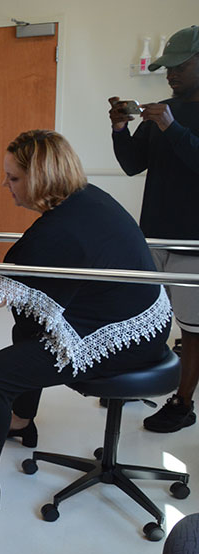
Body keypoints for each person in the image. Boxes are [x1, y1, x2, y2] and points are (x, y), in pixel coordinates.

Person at [0, 130, 172, 510]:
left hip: (129, 338)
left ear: (40, 177)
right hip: (147, 317)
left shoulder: (55, 232)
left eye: (13, 178)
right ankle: (22, 421)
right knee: (26, 321)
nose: (5, 185)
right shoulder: (86, 199)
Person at [109, 25, 199, 433]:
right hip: (153, 236)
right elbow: (132, 164)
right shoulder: (162, 108)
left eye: (180, 66)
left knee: (192, 329)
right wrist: (119, 128)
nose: (171, 74)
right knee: (146, 315)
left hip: (192, 243)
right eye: (168, 67)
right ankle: (142, 381)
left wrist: (171, 127)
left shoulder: (168, 116)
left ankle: (182, 404)